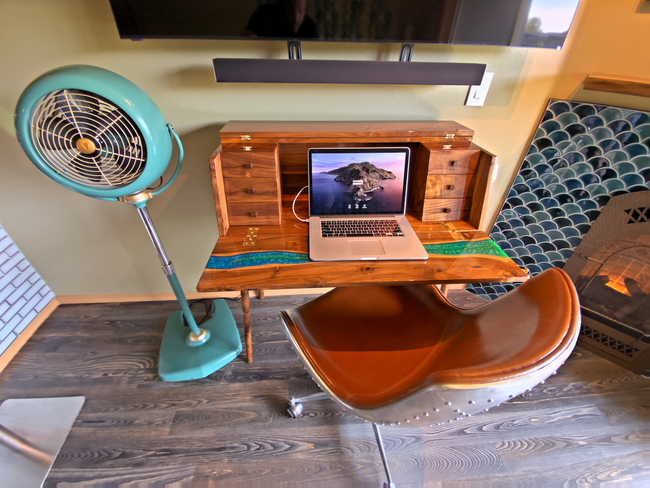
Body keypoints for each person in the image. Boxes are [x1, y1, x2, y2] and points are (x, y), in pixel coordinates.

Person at [245, 0, 318, 38]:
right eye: (290, 11)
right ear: (282, 6)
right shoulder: (264, 15)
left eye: (301, 11)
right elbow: (246, 37)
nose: (296, 18)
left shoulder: (310, 27)